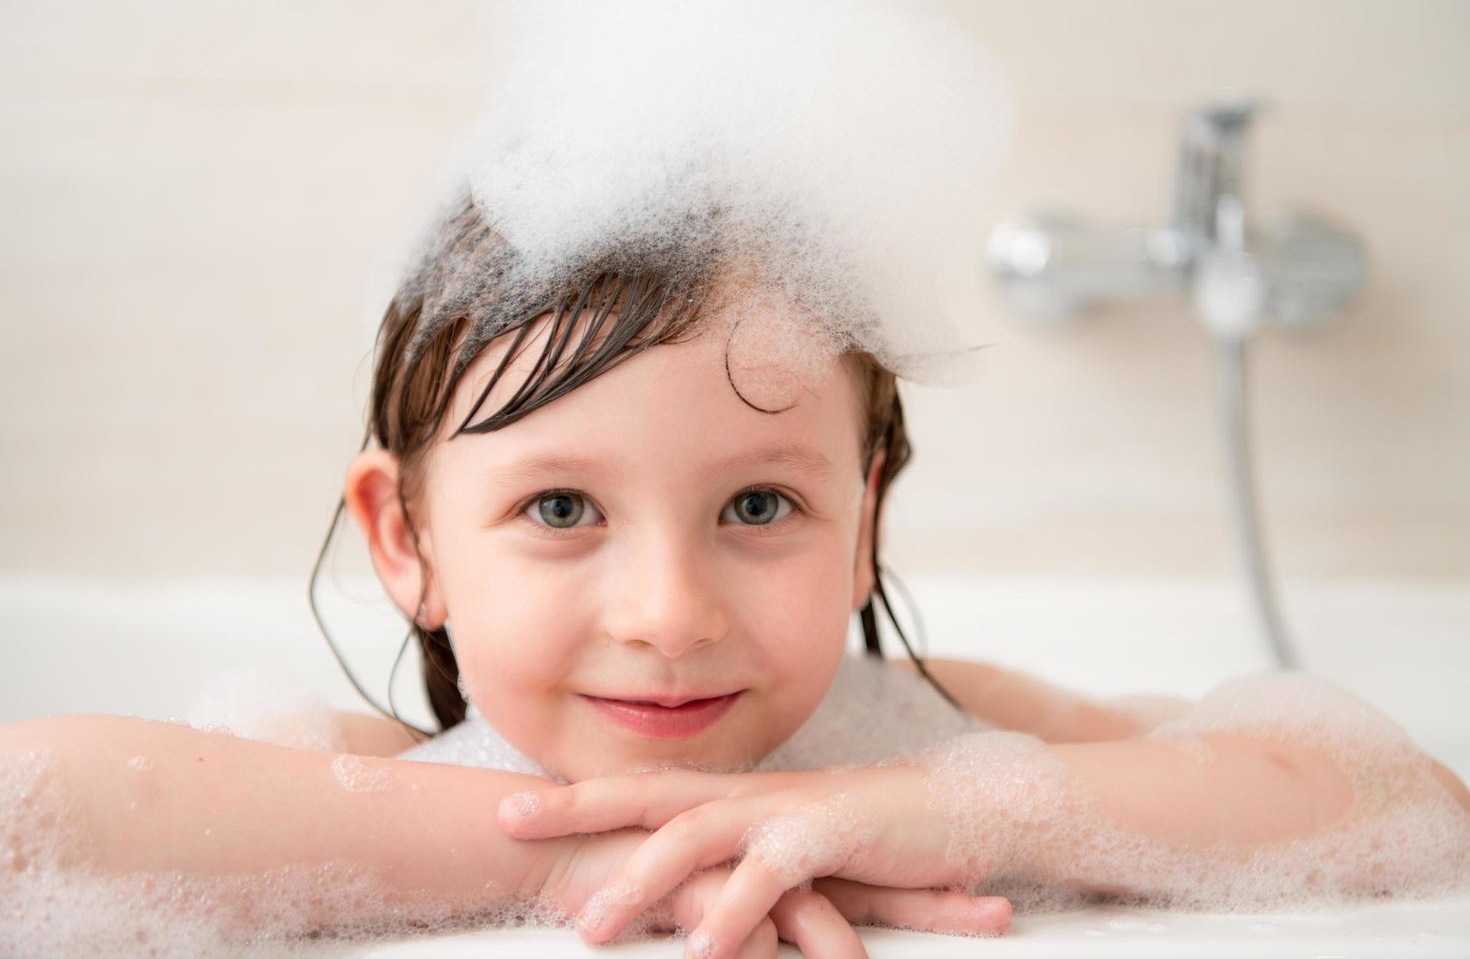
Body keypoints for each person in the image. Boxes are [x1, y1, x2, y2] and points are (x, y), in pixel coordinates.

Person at [3, 191, 1467, 959]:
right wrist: (588, 854)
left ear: (865, 522)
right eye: (561, 505)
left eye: (758, 501)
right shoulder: (376, 776)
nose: (667, 615)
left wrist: (907, 806)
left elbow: (1402, 806)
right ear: (406, 541)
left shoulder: (938, 730)